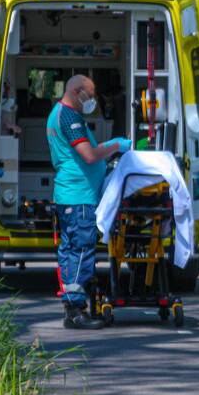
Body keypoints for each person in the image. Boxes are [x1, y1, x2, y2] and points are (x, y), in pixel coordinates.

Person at [47, 74, 130, 329]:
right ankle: (76, 309)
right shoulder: (70, 116)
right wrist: (116, 145)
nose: (92, 100)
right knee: (82, 250)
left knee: (71, 250)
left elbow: (87, 151)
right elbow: (89, 155)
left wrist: (108, 146)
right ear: (77, 92)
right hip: (78, 197)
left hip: (71, 195)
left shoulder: (59, 114)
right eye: (90, 95)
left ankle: (72, 307)